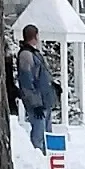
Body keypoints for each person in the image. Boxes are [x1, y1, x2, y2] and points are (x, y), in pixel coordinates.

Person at [16, 24, 57, 154]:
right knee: (38, 134)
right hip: (37, 103)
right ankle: (38, 159)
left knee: (48, 133)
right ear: (35, 36)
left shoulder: (35, 54)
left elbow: (43, 76)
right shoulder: (26, 56)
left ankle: (49, 157)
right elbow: (27, 82)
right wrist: (35, 103)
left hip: (45, 100)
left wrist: (54, 87)